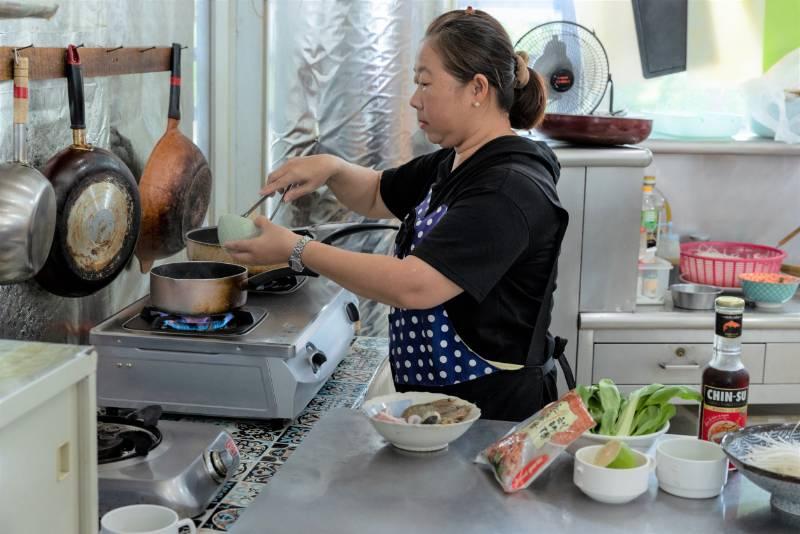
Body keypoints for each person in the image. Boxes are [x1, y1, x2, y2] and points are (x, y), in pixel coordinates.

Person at [226, 7, 570, 422]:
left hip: (492, 412)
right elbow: (376, 192)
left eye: (425, 83)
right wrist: (331, 167)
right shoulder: (457, 160)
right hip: (440, 405)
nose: (413, 98)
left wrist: (297, 249)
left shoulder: (507, 188)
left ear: (477, 88)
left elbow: (416, 286)